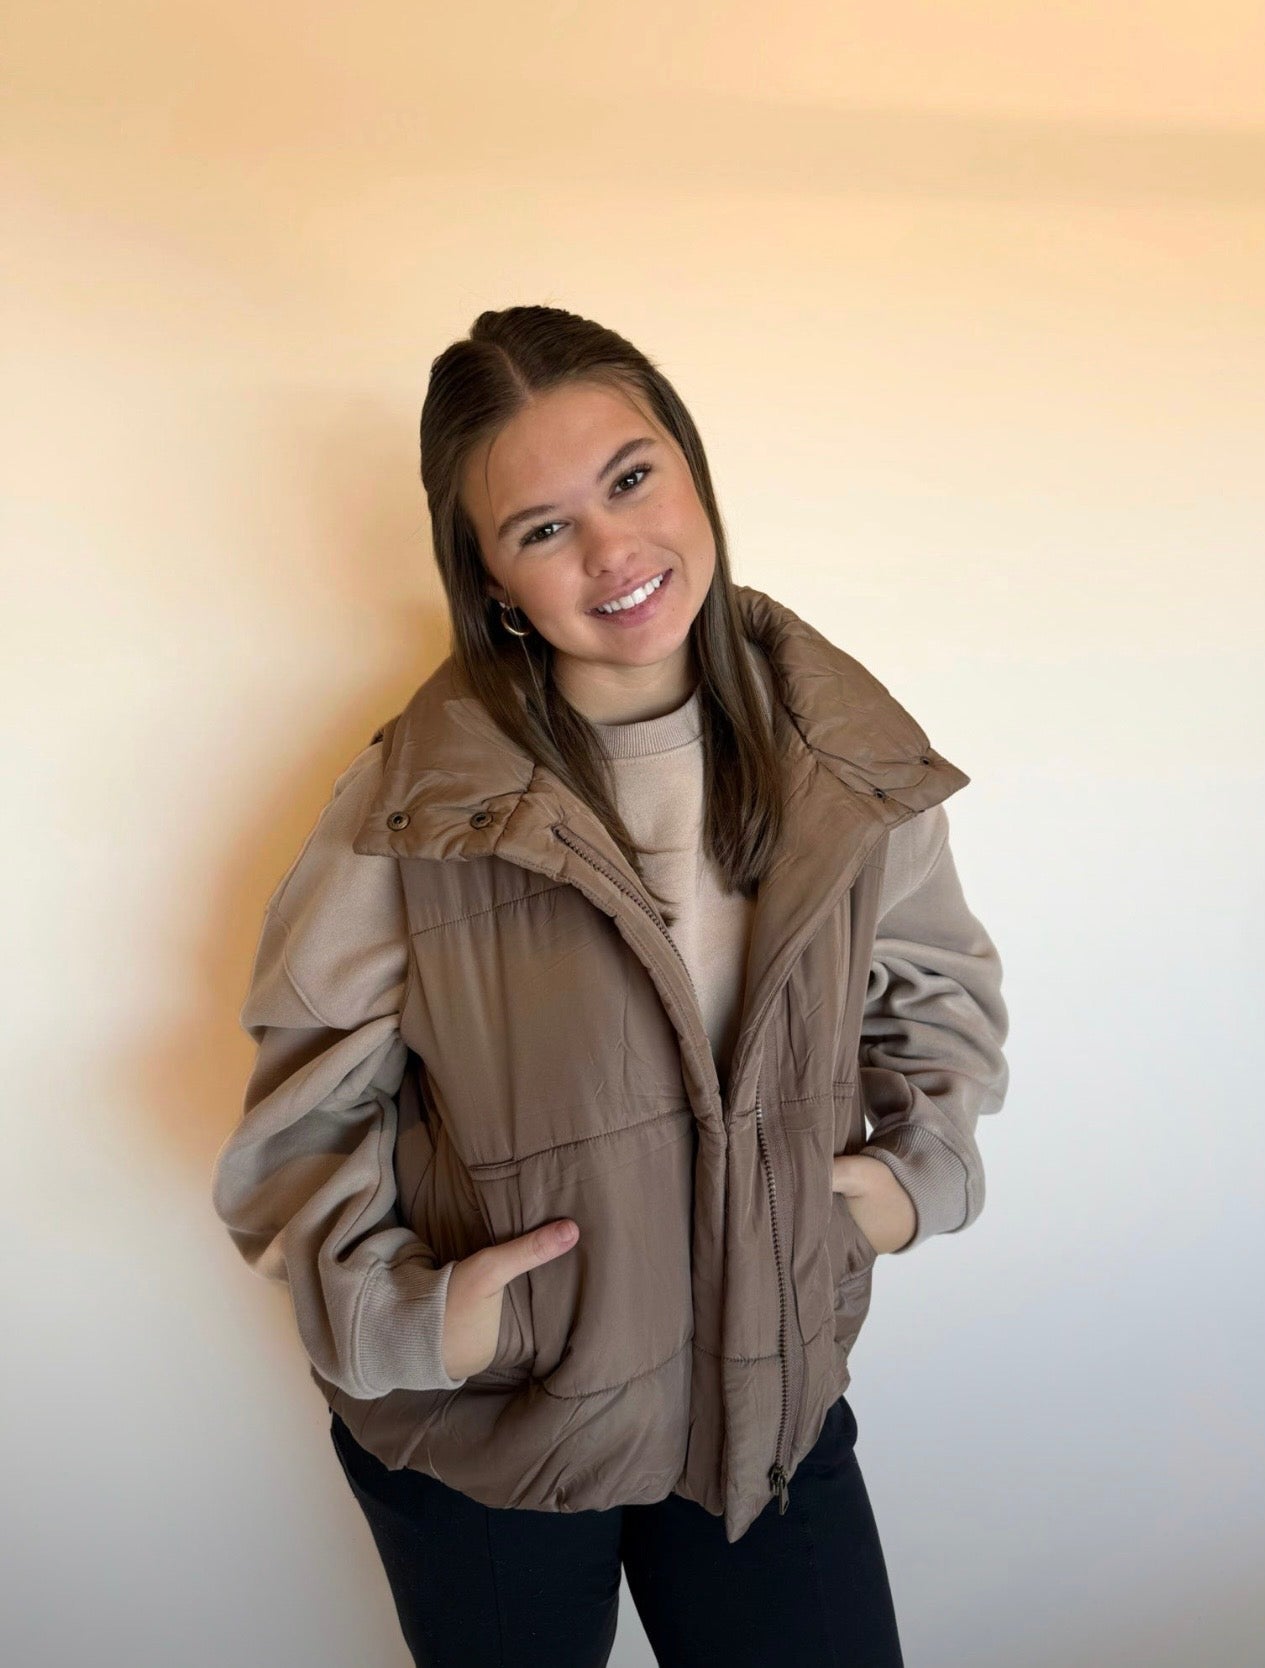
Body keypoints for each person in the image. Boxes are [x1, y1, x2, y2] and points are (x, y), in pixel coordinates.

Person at [211, 304, 1011, 1667]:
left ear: (692, 471)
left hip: (762, 1400)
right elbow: (304, 1113)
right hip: (497, 1435)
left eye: (631, 478)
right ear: (490, 579)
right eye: (540, 527)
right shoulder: (413, 806)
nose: (609, 549)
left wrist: (903, 1184)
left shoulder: (846, 754)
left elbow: (933, 989)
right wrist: (429, 1317)